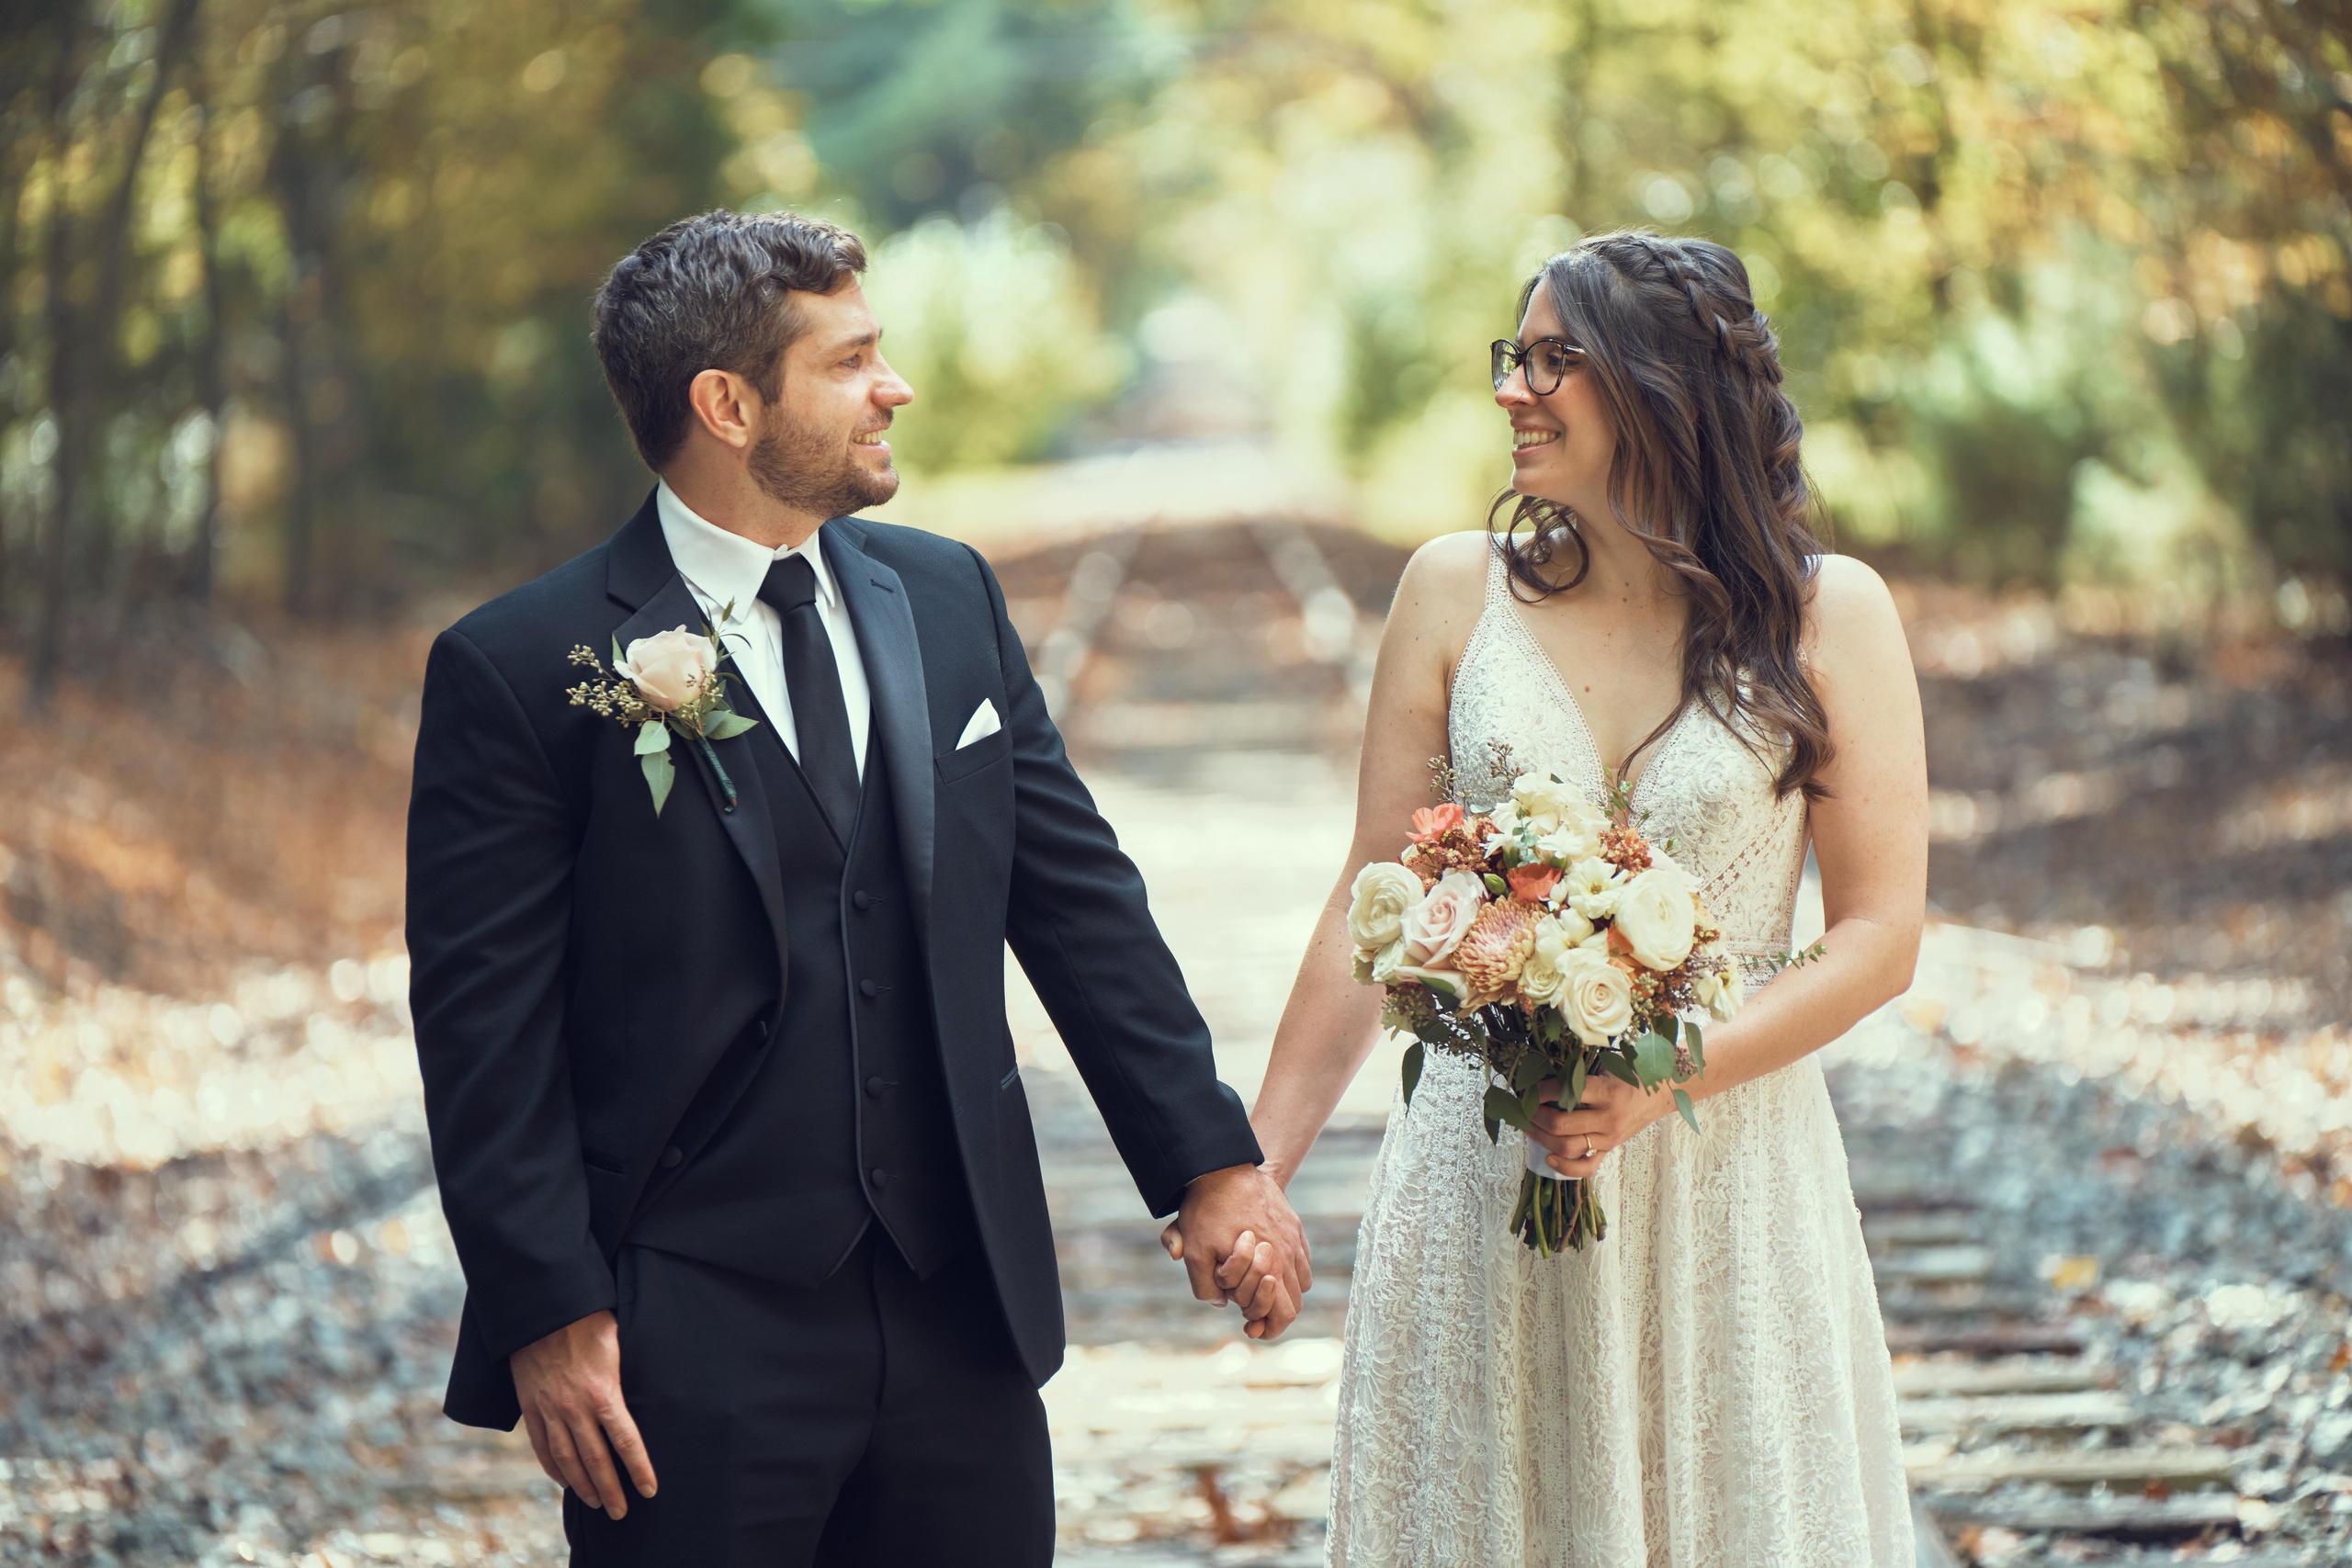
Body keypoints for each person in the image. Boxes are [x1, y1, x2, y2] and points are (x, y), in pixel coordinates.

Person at [402, 209, 1308, 1567]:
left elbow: (1079, 906)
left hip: (962, 1311)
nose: (896, 387)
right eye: (849, 362)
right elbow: (486, 1031)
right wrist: (547, 1308)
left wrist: (1211, 1161)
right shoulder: (529, 666)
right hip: (686, 1339)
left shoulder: (947, 598)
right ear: (726, 405)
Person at [1246, 231, 1928, 1565]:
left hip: (1728, 1173)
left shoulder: (1828, 615)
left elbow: (1878, 934)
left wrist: (1667, 1078)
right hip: (1481, 1172)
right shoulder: (1453, 592)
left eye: (1555, 360)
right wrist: (1255, 1172)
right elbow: (1372, 899)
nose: (1512, 387)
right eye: (1516, 355)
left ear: (1662, 385)